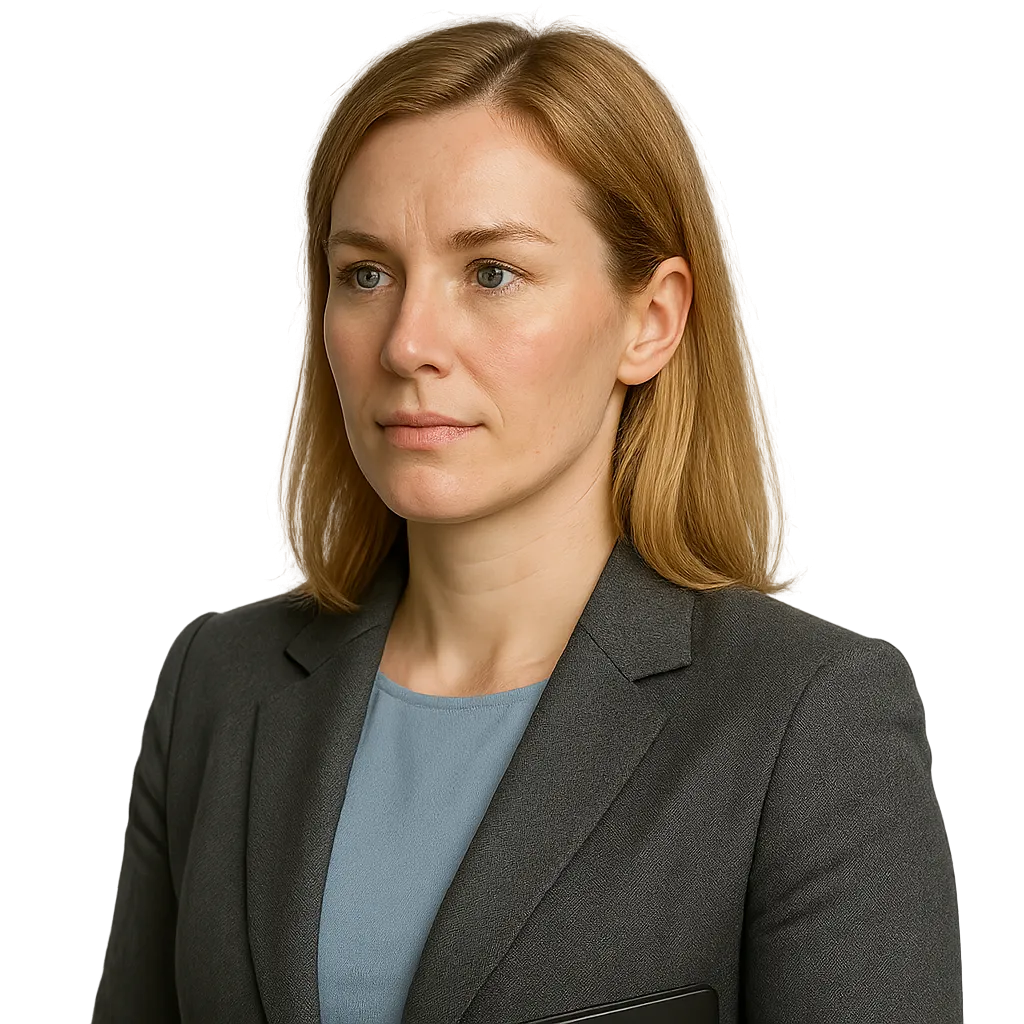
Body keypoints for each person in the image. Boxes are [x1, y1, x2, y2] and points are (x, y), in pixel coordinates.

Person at [90, 19, 962, 1024]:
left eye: (491, 272)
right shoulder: (216, 681)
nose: (408, 342)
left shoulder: (803, 720)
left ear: (651, 321)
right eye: (366, 273)